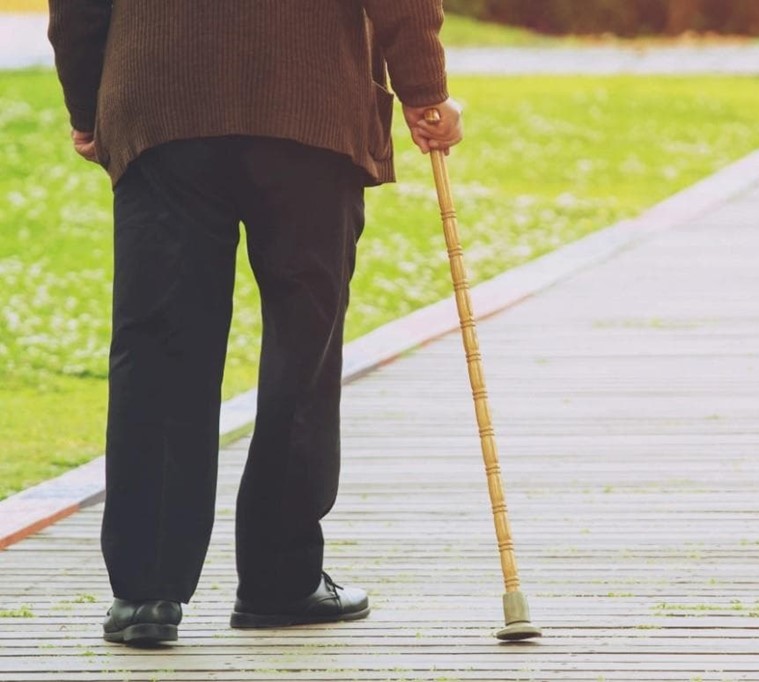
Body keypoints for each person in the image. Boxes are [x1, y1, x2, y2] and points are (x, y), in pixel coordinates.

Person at [47, 0, 462, 647]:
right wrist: (424, 89)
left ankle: (146, 592)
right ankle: (280, 576)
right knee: (305, 343)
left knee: (160, 345)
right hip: (310, 97)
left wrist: (86, 99)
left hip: (163, 95)